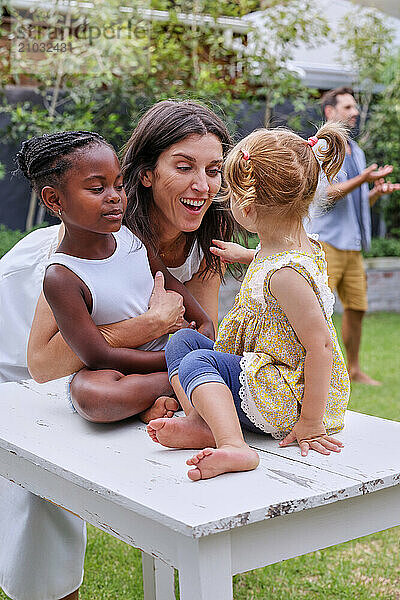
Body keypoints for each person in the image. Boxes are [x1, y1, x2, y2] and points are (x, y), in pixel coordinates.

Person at [0, 101, 238, 600]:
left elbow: (203, 328)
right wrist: (147, 326)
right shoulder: (88, 242)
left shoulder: (207, 240)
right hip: (17, 351)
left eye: (214, 170)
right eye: (185, 166)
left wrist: (176, 369)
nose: (203, 185)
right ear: (147, 174)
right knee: (38, 493)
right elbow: (41, 364)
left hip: (100, 364)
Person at [147, 123, 351, 481]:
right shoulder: (293, 248)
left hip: (286, 394)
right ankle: (202, 420)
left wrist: (311, 422)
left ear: (249, 208)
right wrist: (247, 255)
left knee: (197, 359)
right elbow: (273, 259)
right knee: (182, 340)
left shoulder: (285, 275)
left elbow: (319, 345)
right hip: (269, 374)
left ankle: (233, 445)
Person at [305, 87, 400, 386]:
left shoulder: (356, 151)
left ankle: (354, 369)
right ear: (330, 112)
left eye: (355, 107)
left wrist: (373, 193)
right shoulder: (321, 149)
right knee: (318, 311)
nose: (355, 111)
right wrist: (362, 179)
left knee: (357, 308)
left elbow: (354, 202)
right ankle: (321, 374)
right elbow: (323, 196)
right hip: (325, 243)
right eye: (348, 107)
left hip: (352, 246)